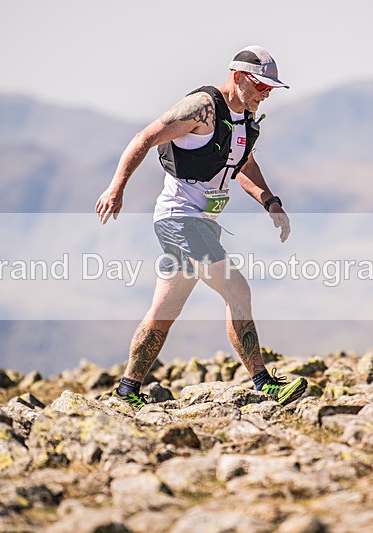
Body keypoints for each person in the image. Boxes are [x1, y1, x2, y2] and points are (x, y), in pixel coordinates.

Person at [94, 45, 307, 410]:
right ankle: (263, 383)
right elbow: (145, 138)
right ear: (239, 78)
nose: (266, 94)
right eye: (260, 86)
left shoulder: (245, 120)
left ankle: (126, 391)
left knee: (164, 310)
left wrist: (270, 201)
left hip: (202, 224)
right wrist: (117, 187)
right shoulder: (201, 109)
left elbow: (243, 165)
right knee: (237, 289)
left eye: (271, 89)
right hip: (178, 219)